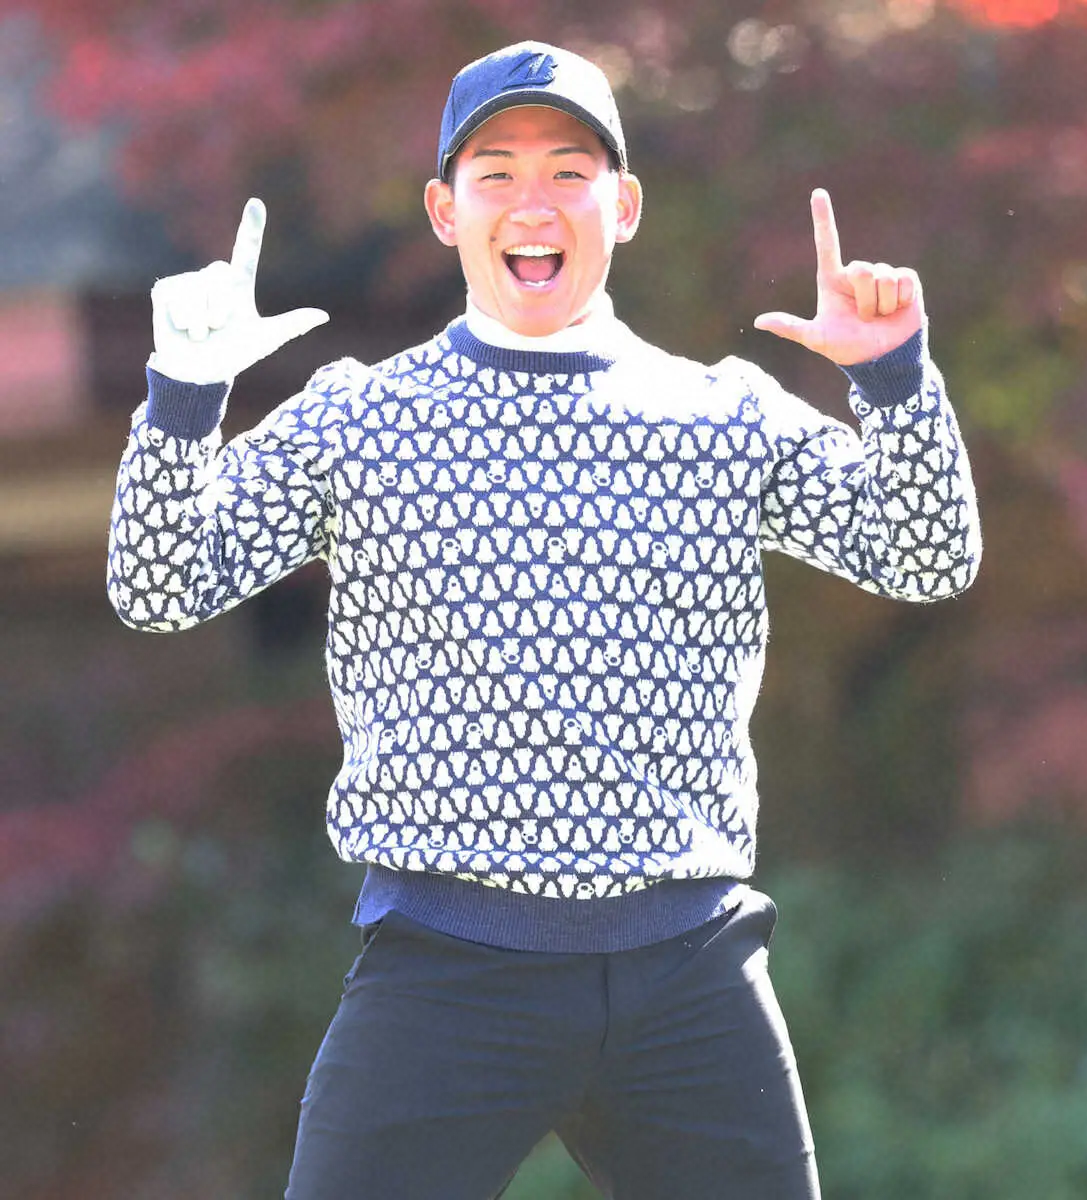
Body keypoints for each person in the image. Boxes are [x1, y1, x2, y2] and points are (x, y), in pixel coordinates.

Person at [107, 40, 981, 1200]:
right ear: (444, 211)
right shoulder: (359, 420)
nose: (533, 203)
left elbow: (925, 556)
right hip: (443, 974)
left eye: (569, 172)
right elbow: (159, 587)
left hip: (688, 974)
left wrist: (893, 381)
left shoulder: (721, 416)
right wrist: (182, 396)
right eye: (496, 174)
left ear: (624, 206)